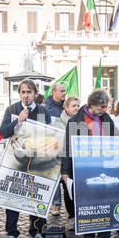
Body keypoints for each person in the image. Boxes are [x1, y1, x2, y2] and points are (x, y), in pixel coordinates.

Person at [61, 89, 119, 238]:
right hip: (82, 168)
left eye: (106, 107)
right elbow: (67, 148)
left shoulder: (105, 118)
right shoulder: (75, 120)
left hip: (105, 166)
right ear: (91, 104)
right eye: (102, 107)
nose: (104, 110)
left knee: (106, 201)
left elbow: (118, 135)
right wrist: (65, 172)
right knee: (87, 203)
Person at [0, 79, 52, 238]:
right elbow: (3, 133)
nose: (26, 95)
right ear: (19, 94)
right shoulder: (12, 109)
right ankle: (12, 233)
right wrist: (18, 120)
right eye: (23, 92)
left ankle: (36, 231)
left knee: (37, 197)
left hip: (38, 163)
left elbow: (51, 136)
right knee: (13, 199)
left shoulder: (44, 111)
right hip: (16, 161)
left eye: (29, 92)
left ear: (35, 94)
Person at [53, 96, 80, 230]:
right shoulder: (58, 123)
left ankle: (80, 216)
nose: (76, 108)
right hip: (63, 162)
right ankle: (72, 217)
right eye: (73, 106)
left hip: (78, 161)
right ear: (66, 107)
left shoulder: (81, 122)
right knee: (68, 190)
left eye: (77, 106)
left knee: (79, 190)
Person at [44, 84, 66, 216]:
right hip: (52, 148)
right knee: (54, 177)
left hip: (65, 147)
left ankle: (71, 211)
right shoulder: (46, 108)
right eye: (62, 91)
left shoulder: (67, 105)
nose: (64, 93)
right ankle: (56, 204)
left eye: (65, 91)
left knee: (66, 176)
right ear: (54, 93)